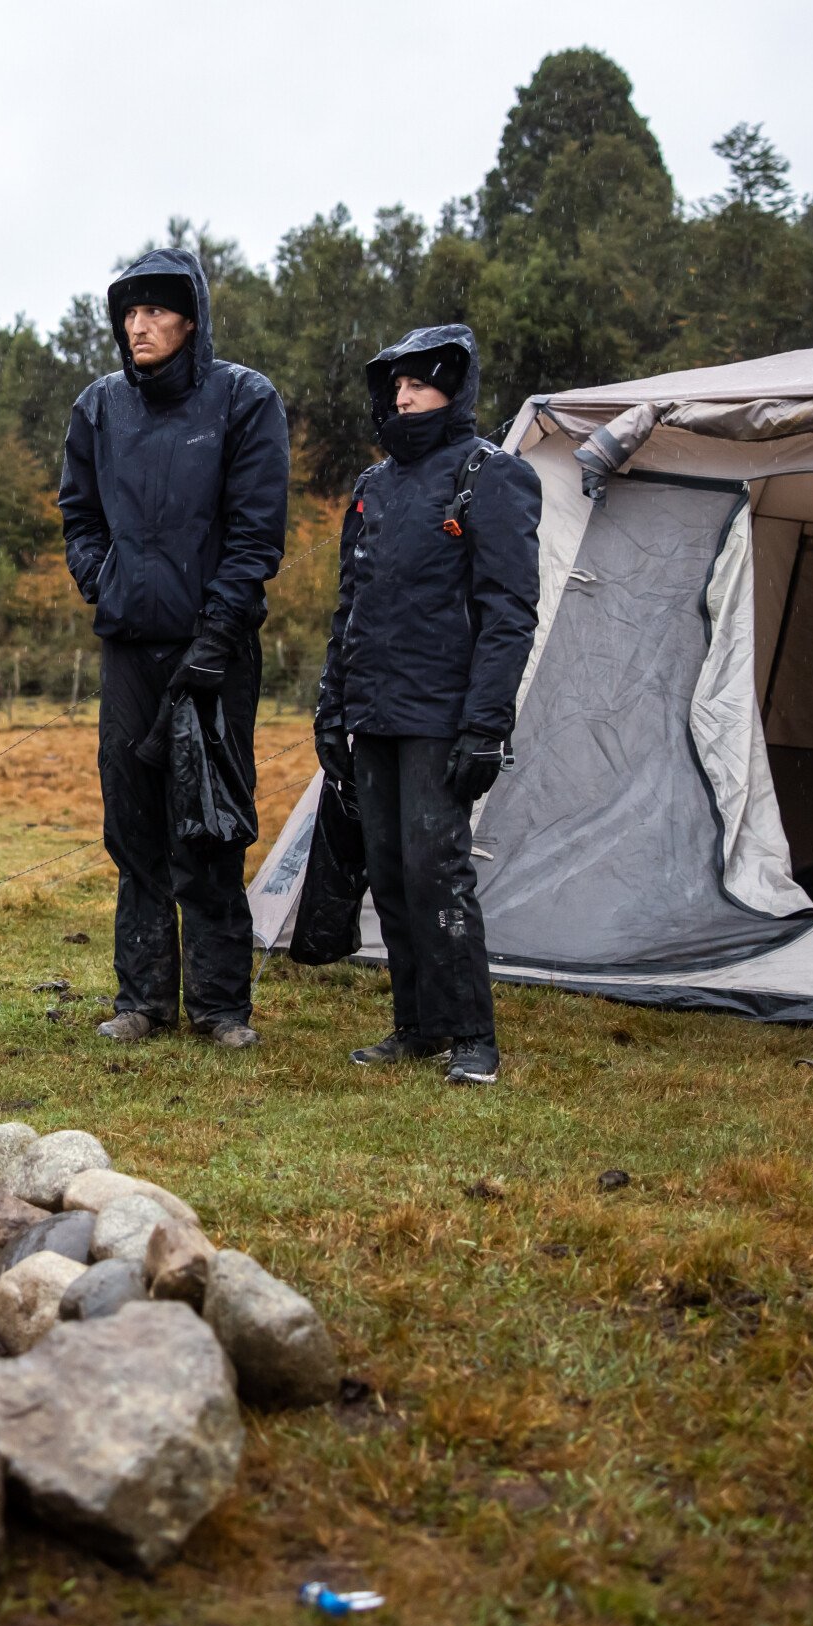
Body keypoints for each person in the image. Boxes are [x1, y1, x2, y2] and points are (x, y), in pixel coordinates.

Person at [58, 245, 290, 1050]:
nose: (138, 324)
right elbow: (78, 514)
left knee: (212, 824)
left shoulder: (243, 400)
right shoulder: (98, 407)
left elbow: (257, 531)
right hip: (129, 645)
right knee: (134, 825)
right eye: (128, 311)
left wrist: (220, 632)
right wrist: (104, 580)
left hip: (215, 647)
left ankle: (222, 1006)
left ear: (191, 319)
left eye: (156, 310)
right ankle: (143, 998)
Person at [317, 324, 540, 1085]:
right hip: (373, 712)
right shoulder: (372, 487)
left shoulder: (491, 475)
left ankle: (472, 1035)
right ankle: (414, 1024)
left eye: (419, 383)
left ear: (453, 387)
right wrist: (331, 706)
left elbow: (509, 611)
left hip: (442, 715)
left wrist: (487, 724)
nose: (404, 395)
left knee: (436, 868)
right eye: (396, 385)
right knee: (387, 868)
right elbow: (351, 604)